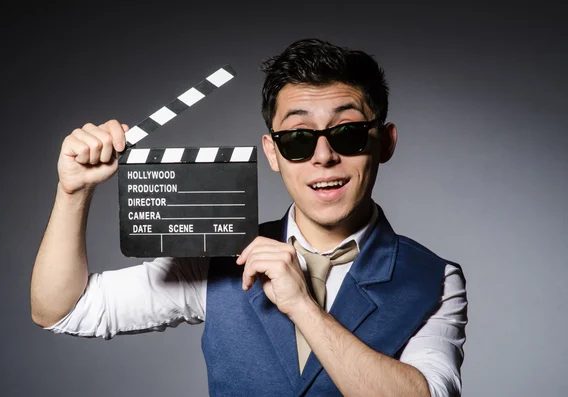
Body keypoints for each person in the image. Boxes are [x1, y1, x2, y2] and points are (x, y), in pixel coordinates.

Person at [31, 38, 467, 396]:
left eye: (348, 133)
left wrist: (301, 306)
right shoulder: (220, 256)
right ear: (272, 153)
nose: (323, 156)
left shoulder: (435, 278)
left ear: (385, 143)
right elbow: (63, 309)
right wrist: (74, 192)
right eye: (297, 138)